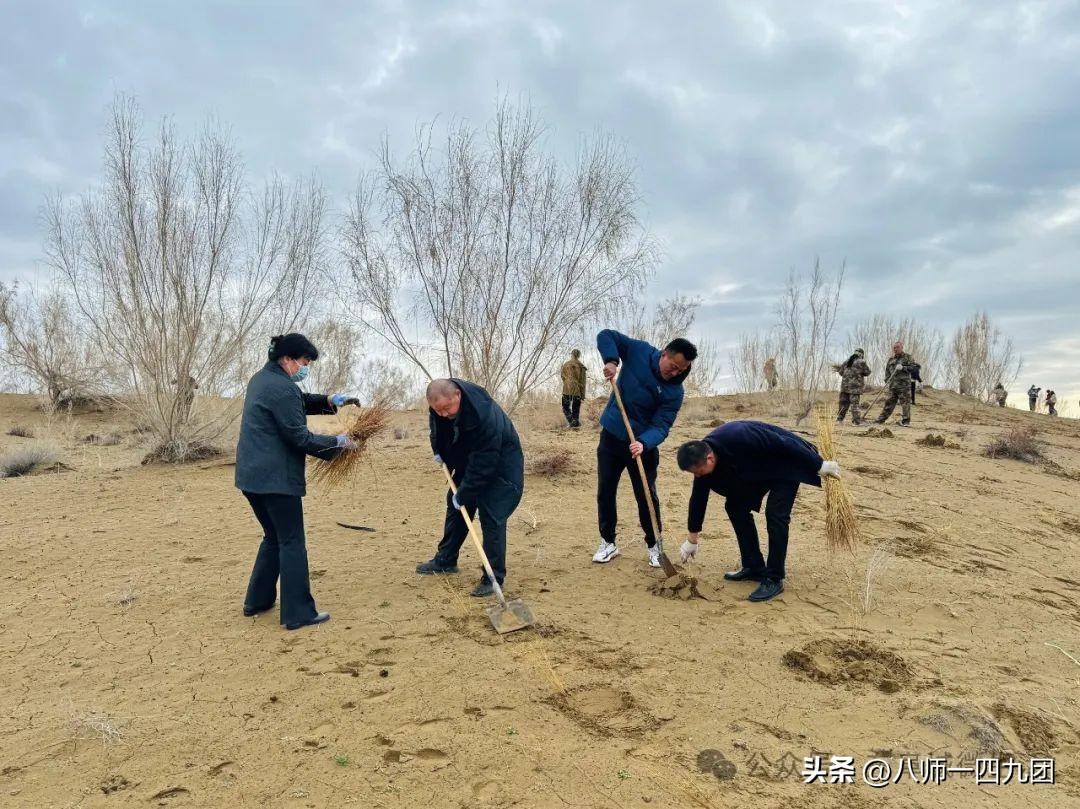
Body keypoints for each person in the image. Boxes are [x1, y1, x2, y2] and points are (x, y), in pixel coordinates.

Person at [235, 333, 361, 631]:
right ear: (288, 359)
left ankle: (258, 601)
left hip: (251, 477)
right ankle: (298, 613)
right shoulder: (281, 388)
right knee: (291, 541)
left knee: (274, 537)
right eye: (304, 362)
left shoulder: (262, 380)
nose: (305, 368)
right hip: (276, 479)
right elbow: (299, 437)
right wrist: (340, 442)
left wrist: (329, 401)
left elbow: (297, 400)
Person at [675, 421, 841, 602]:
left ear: (709, 458)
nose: (697, 476)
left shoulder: (738, 436)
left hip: (786, 462)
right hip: (759, 469)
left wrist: (819, 464)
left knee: (776, 515)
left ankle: (774, 578)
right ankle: (753, 566)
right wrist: (692, 539)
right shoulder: (701, 460)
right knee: (735, 507)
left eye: (698, 472)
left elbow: (783, 442)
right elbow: (698, 498)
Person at [591, 329, 695, 568]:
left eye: (682, 370)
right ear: (665, 354)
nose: (676, 372)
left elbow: (662, 425)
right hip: (612, 437)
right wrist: (611, 361)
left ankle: (654, 546)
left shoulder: (675, 392)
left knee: (646, 495)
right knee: (605, 491)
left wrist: (644, 442)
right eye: (674, 366)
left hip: (641, 446)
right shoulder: (638, 351)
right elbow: (607, 335)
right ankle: (608, 543)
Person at [416, 379, 524, 597]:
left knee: (491, 515)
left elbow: (485, 462)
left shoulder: (483, 416)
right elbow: (438, 429)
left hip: (501, 467)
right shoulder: (440, 409)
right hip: (471, 460)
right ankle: (446, 559)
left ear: (458, 395)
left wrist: (465, 493)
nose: (444, 414)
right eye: (438, 410)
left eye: (447, 408)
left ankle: (493, 577)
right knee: (455, 504)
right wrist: (438, 450)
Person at [875, 342, 916, 426]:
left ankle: (906, 421)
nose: (895, 349)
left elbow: (913, 368)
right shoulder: (891, 359)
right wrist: (887, 380)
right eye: (894, 348)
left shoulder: (908, 357)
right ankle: (881, 420)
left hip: (904, 386)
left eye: (897, 347)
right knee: (889, 403)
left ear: (902, 347)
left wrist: (903, 368)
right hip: (893, 386)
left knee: (905, 403)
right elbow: (887, 372)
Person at [835, 349, 870, 424]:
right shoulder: (862, 362)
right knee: (855, 405)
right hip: (855, 388)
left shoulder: (846, 361)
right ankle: (856, 422)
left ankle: (839, 420)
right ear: (861, 354)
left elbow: (840, 373)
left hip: (844, 387)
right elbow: (867, 372)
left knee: (843, 404)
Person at [560, 349, 588, 428]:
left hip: (566, 390)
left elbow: (562, 377)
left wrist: (567, 383)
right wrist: (582, 395)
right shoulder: (582, 367)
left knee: (565, 408)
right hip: (577, 391)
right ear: (579, 355)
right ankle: (574, 423)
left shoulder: (565, 365)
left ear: (571, 354)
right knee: (576, 409)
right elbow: (583, 382)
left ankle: (573, 423)